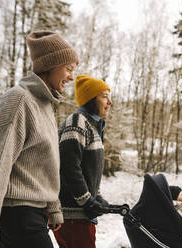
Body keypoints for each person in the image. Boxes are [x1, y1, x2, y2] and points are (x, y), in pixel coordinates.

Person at [0, 31, 79, 248]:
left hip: (35, 216)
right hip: (16, 218)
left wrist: (53, 206)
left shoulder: (45, 106)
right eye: (69, 69)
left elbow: (43, 164)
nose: (72, 77)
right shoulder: (18, 101)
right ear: (50, 65)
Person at [53, 75, 113, 248]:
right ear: (90, 99)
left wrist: (98, 197)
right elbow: (69, 167)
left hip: (81, 216)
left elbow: (90, 171)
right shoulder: (77, 122)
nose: (110, 102)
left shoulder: (92, 126)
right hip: (72, 217)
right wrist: (86, 200)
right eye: (104, 96)